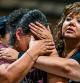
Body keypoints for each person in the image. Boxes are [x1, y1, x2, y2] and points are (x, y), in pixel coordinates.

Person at [0, 9, 54, 83]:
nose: (41, 44)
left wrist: (20, 56)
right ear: (19, 34)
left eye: (44, 39)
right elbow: (6, 79)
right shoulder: (2, 53)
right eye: (36, 38)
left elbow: (64, 73)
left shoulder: (46, 54)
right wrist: (33, 51)